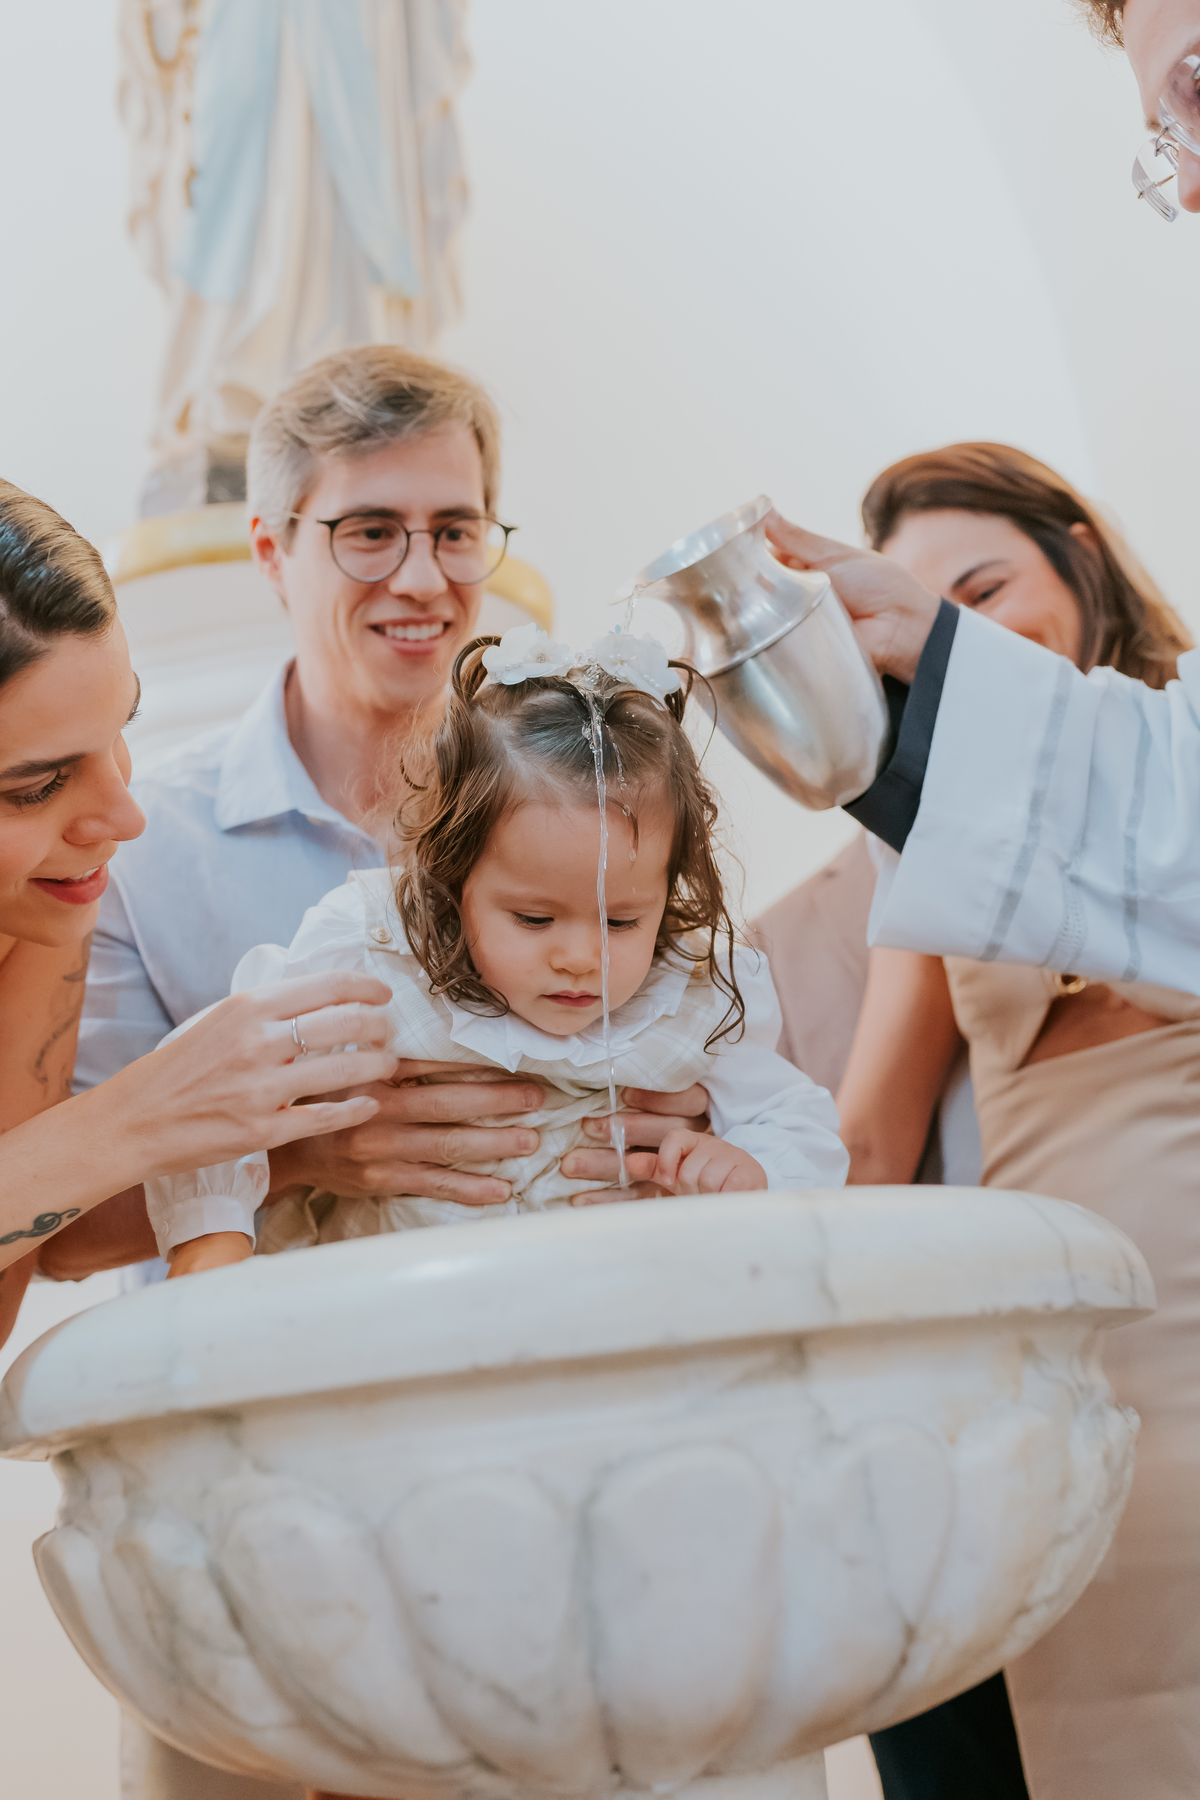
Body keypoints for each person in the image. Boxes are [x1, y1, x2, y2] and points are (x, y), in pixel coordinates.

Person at [54, 345, 704, 1285]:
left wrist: (681, 1124)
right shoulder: (141, 848)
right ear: (272, 552)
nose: (423, 579)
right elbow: (64, 1236)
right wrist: (305, 1159)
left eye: (454, 529)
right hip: (271, 1382)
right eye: (369, 531)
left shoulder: (595, 800)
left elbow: (703, 1055)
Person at [835, 441, 1200, 1800]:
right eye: (928, 625)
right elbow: (872, 1138)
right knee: (1101, 1697)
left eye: (987, 593)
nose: (966, 644)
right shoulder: (939, 833)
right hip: (1068, 1330)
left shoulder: (1182, 748)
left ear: (1080, 557)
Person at [144, 624, 848, 1278]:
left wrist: (748, 1170)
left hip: (615, 1332)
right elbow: (218, 1073)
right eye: (534, 918)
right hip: (398, 1332)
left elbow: (798, 1123)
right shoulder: (376, 958)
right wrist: (213, 1239)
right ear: (454, 879)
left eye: (623, 921)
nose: (580, 957)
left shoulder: (691, 994)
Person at [0, 478, 402, 1351]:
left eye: (120, 732)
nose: (126, 818)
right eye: (36, 786)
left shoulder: (41, 911)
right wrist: (138, 1118)